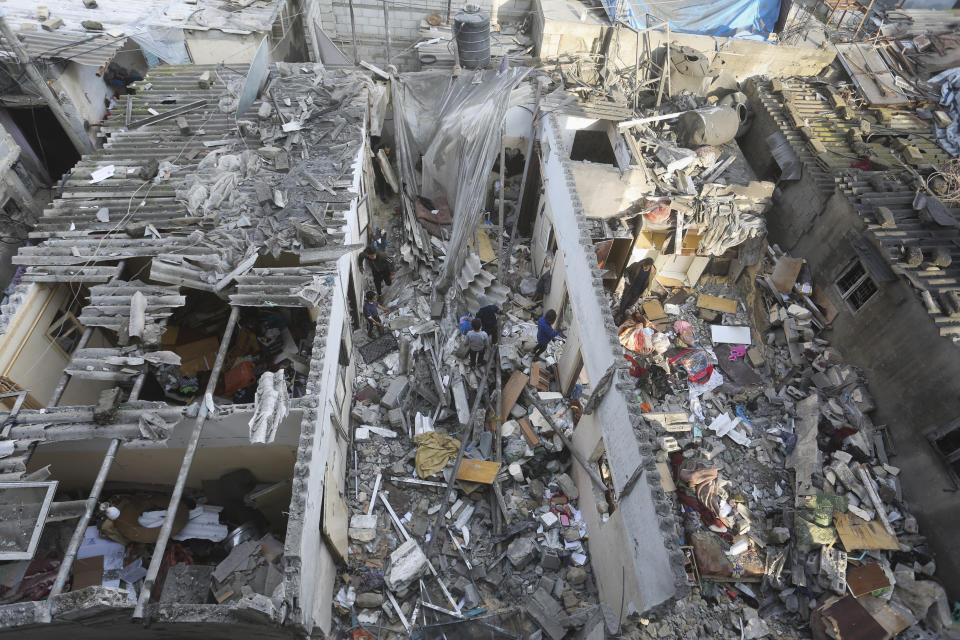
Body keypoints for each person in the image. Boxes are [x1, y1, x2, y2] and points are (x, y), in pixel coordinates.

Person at [617, 258, 656, 322]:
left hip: (638, 291)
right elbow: (626, 270)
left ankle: (624, 315)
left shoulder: (652, 273)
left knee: (630, 303)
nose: (644, 268)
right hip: (630, 288)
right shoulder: (636, 265)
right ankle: (620, 314)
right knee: (624, 301)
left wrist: (649, 290)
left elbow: (650, 281)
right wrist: (626, 277)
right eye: (644, 266)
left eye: (646, 267)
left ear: (650, 266)